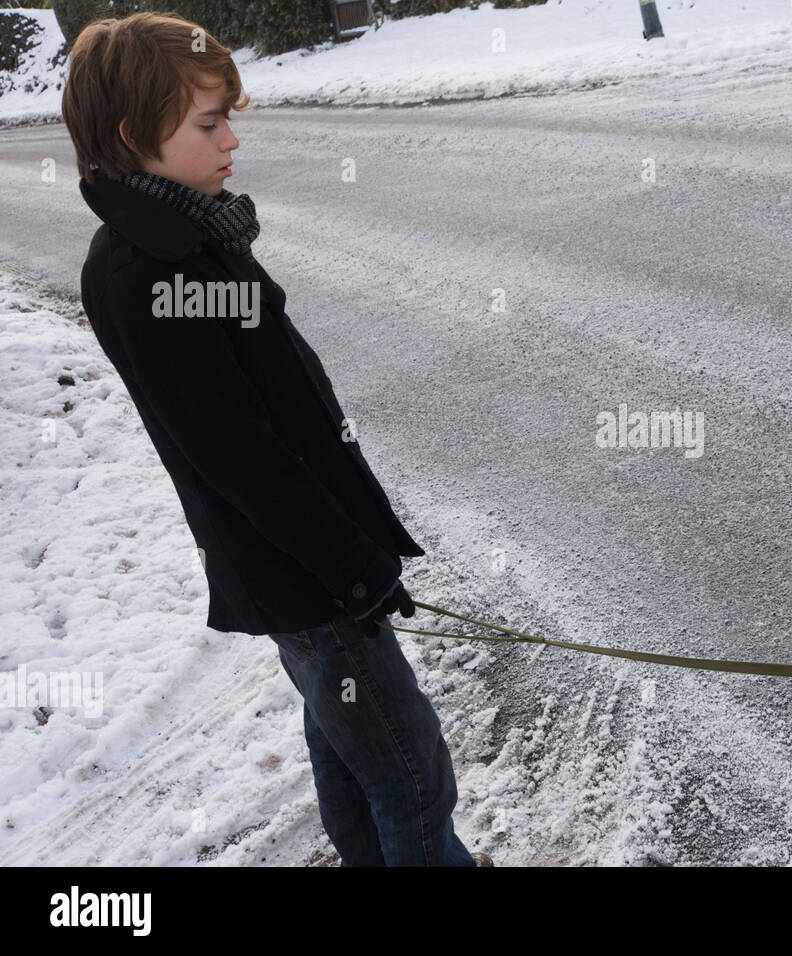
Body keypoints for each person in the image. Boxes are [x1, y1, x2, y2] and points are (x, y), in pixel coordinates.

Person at [62, 11, 489, 867]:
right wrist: (351, 565)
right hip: (303, 571)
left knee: (351, 752)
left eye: (229, 118)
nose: (231, 141)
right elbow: (237, 454)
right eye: (208, 124)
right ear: (131, 134)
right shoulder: (146, 269)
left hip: (307, 564)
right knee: (411, 778)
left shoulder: (190, 234)